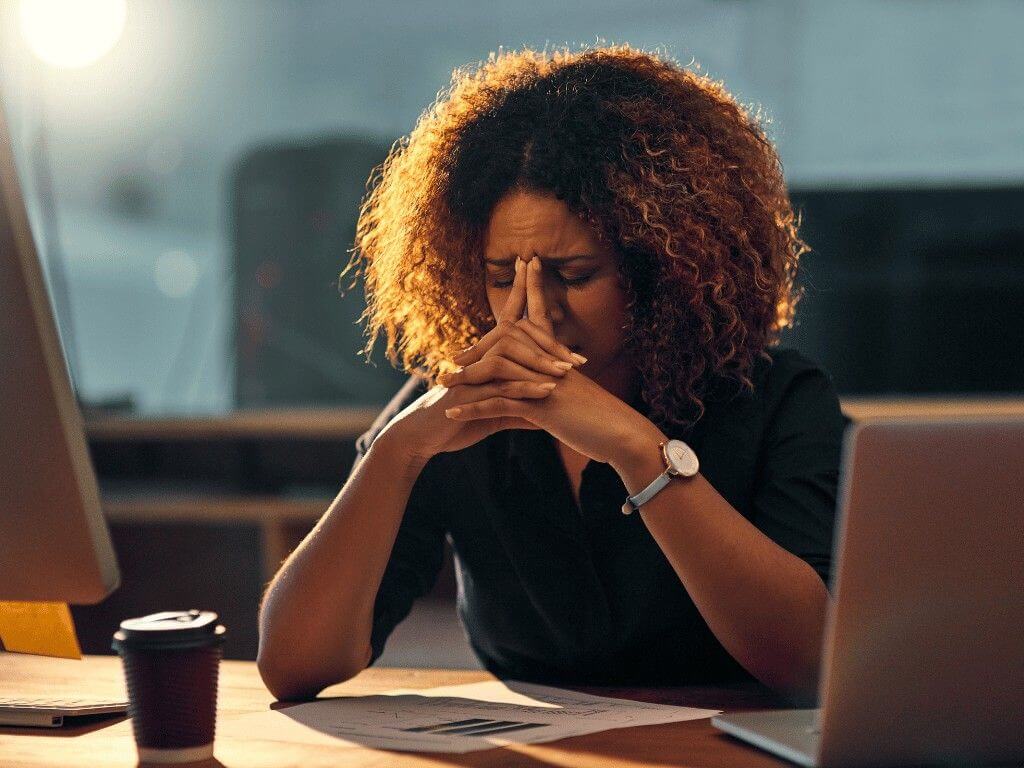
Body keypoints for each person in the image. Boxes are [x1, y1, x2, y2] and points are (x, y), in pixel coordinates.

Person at [257, 45, 848, 705]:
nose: (530, 312)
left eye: (574, 275)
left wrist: (638, 452)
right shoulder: (453, 405)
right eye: (500, 275)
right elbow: (292, 665)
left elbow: (810, 663)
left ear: (660, 269)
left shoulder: (780, 402)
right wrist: (396, 450)